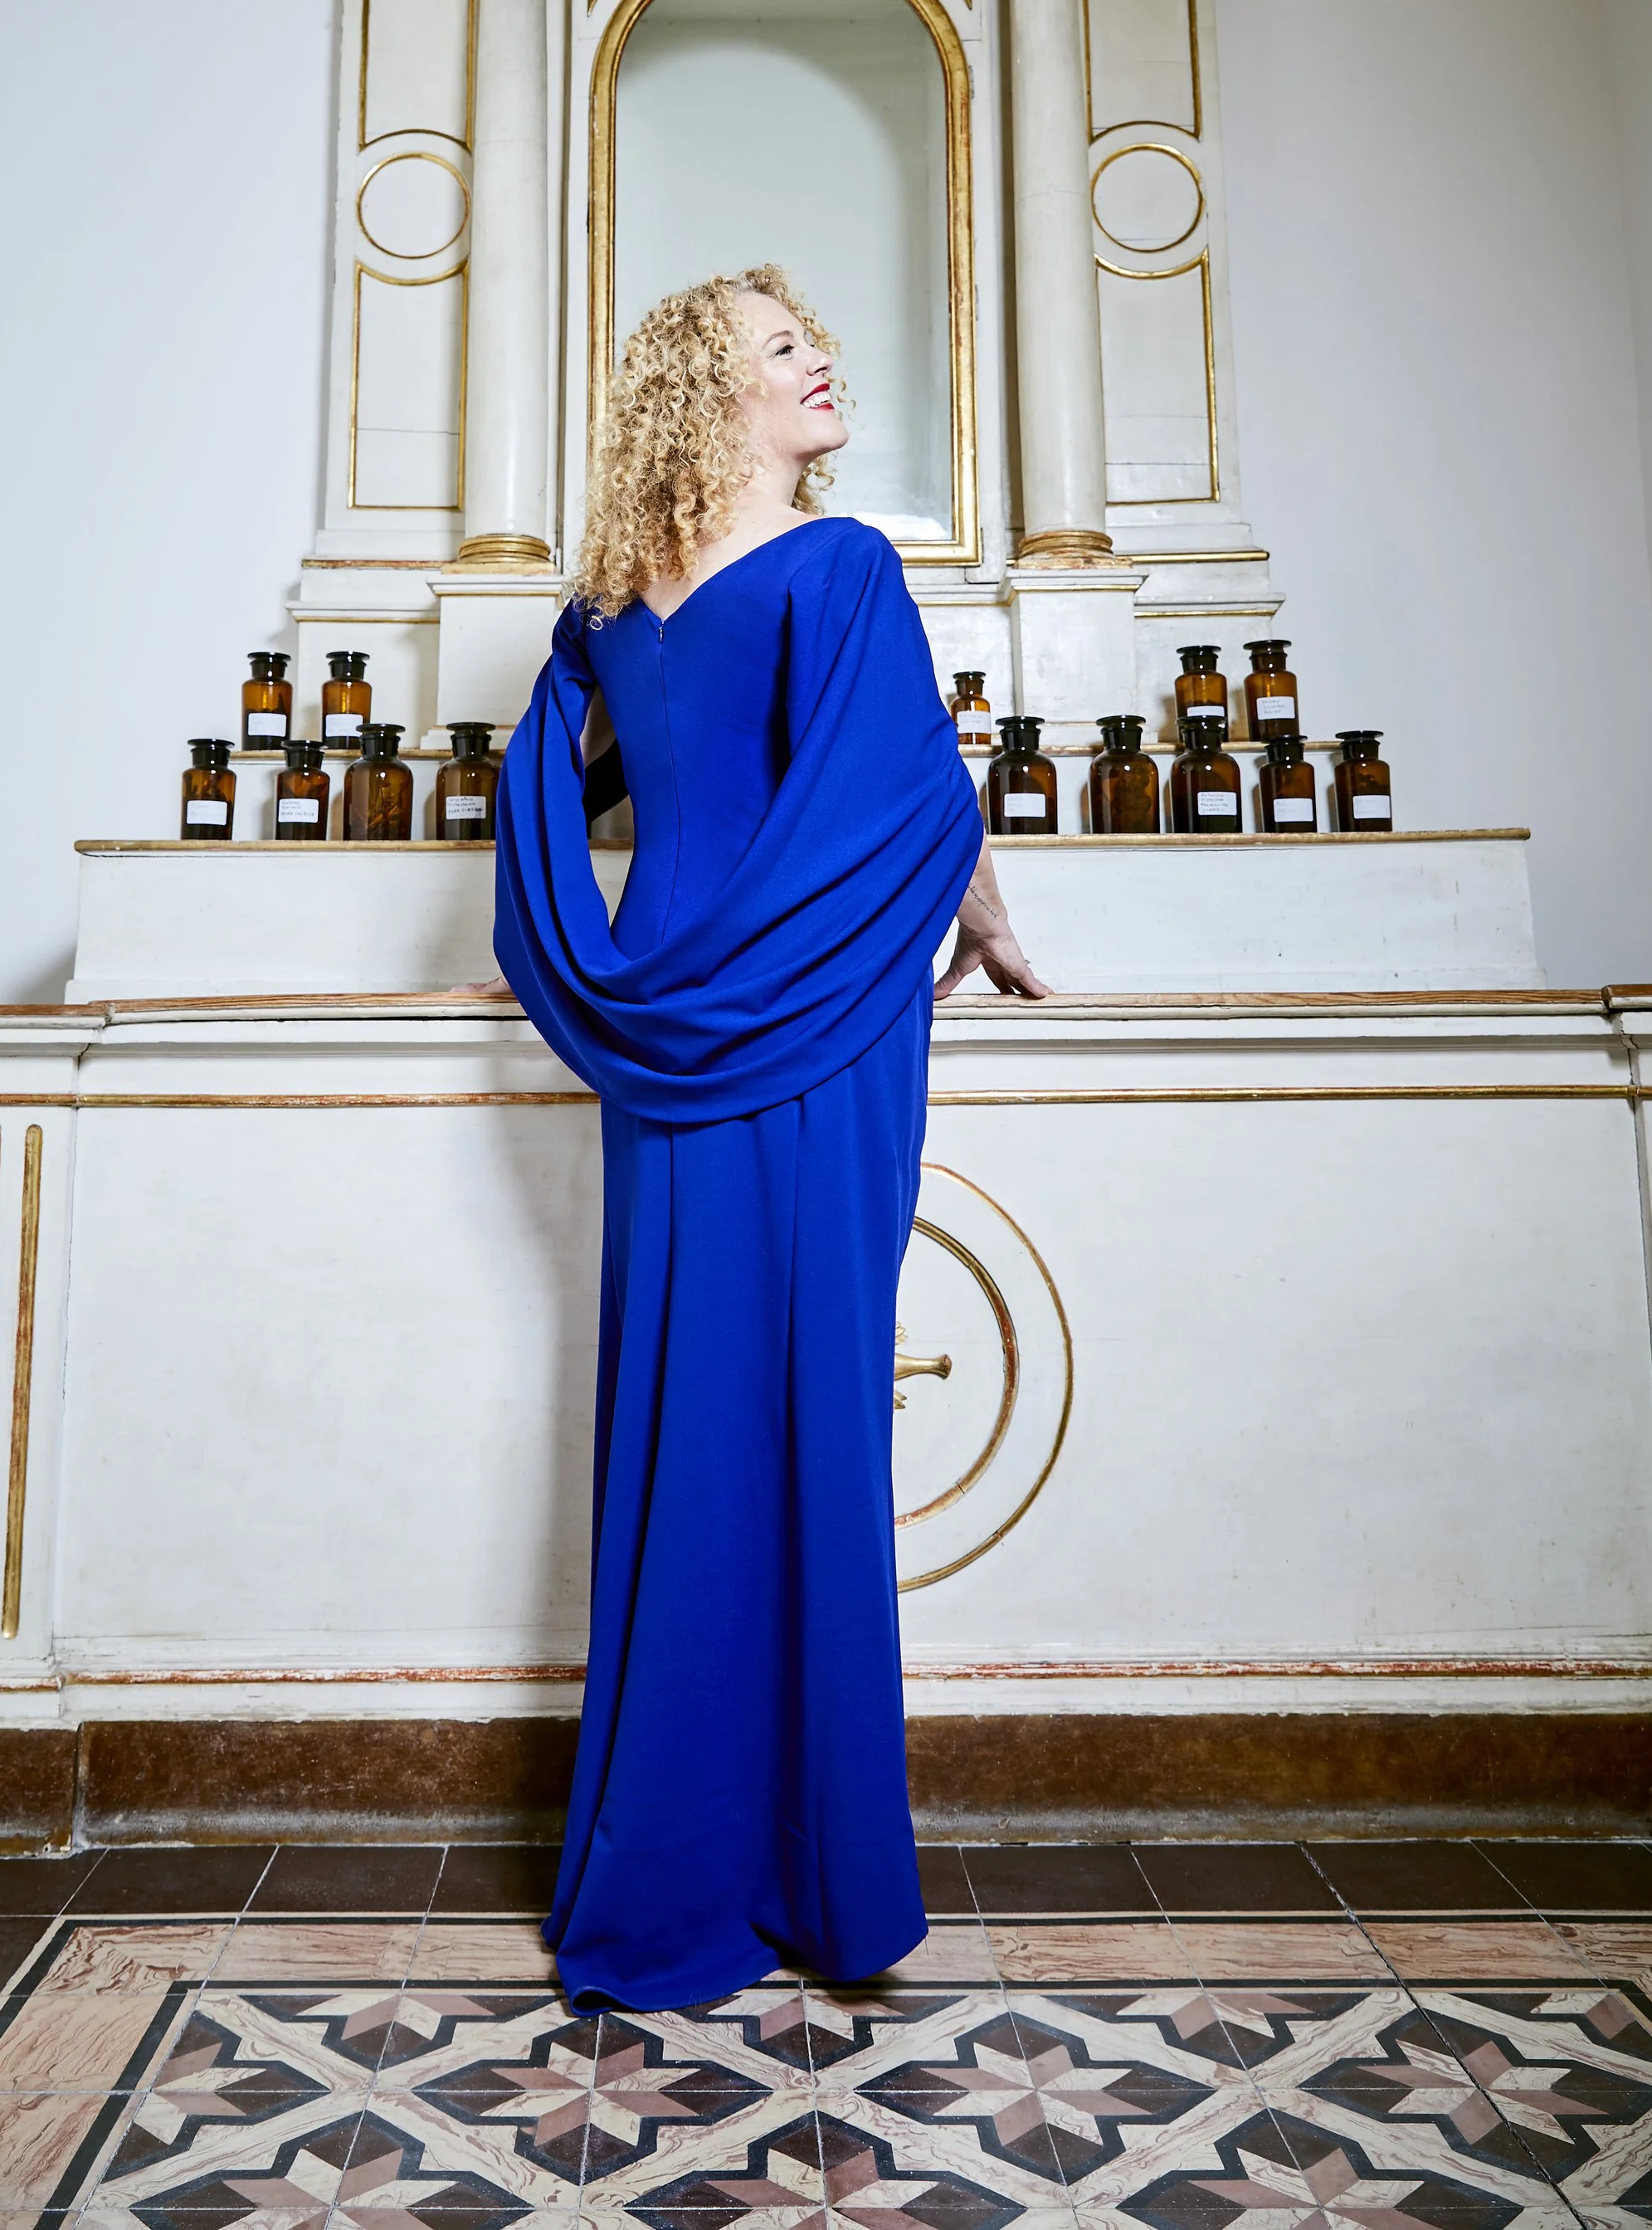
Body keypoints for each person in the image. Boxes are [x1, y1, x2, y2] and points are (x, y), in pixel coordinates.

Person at [494, 266, 1047, 2012]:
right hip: (812, 1020)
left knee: (688, 1408)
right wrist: (984, 912)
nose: (822, 367)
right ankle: (818, 1875)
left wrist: (588, 943)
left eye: (817, 344)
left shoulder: (608, 607)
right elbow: (903, 787)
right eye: (784, 350)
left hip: (666, 1014)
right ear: (706, 390)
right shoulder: (838, 566)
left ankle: (668, 1863)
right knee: (806, 1409)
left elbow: (579, 780)